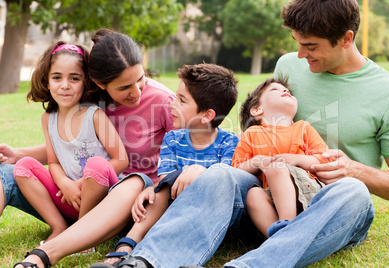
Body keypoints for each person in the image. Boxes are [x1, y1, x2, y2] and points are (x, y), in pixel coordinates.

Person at [84, 0, 389, 267]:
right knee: (221, 172)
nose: (301, 55)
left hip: (326, 206)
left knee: (354, 193)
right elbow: (258, 134)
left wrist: (355, 170)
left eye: (311, 46)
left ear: (346, 39)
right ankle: (147, 261)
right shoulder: (290, 64)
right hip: (261, 202)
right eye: (297, 44)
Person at [10, 28, 176, 268]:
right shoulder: (92, 101)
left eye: (140, 78)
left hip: (138, 195)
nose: (138, 92)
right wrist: (19, 155)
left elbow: (188, 151)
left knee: (107, 171)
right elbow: (68, 148)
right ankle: (64, 230)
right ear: (100, 84)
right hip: (86, 193)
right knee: (13, 169)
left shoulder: (162, 100)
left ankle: (66, 242)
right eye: (124, 87)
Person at [94, 63, 239, 267]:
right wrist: (152, 190)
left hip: (209, 212)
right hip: (174, 204)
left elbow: (225, 183)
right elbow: (165, 182)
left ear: (207, 115)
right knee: (160, 189)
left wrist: (198, 172)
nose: (172, 103)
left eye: (181, 100)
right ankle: (127, 244)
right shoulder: (172, 138)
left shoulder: (228, 142)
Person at [13, 41, 128, 244]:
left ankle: (82, 236)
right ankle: (59, 228)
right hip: (70, 198)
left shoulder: (94, 115)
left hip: (103, 201)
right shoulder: (48, 119)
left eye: (74, 78)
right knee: (24, 166)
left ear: (86, 82)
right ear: (47, 81)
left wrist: (81, 182)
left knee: (96, 164)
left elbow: (121, 159)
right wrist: (65, 184)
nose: (65, 85)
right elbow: (54, 162)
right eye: (57, 77)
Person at [233, 77, 328, 239]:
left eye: (287, 91)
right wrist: (257, 161)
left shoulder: (303, 128)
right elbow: (236, 171)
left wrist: (296, 159)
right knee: (253, 194)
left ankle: (287, 226)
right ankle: (279, 238)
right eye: (274, 90)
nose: (285, 91)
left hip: (307, 191)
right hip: (273, 199)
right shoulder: (251, 134)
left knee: (276, 168)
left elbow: (324, 160)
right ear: (256, 110)